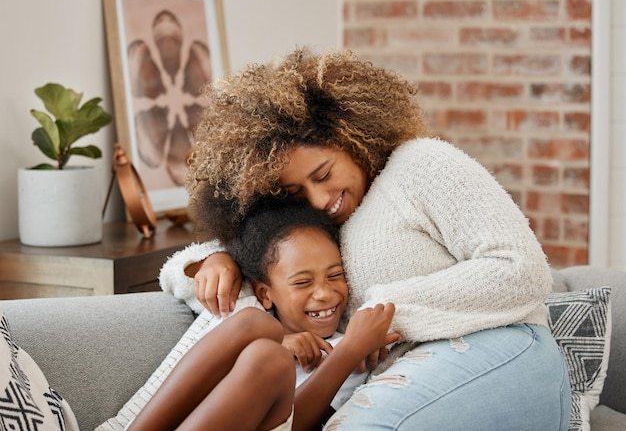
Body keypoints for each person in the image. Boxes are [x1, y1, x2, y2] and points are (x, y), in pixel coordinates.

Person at [159, 47, 572, 430]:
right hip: (389, 377)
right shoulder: (317, 218)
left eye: (323, 174)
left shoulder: (422, 165)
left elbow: (522, 269)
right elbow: (255, 260)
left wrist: (382, 311)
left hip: (501, 348)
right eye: (297, 192)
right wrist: (218, 259)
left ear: (350, 137)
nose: (319, 200)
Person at [132, 199, 401, 431]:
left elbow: (299, 424)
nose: (323, 293)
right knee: (255, 324)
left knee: (269, 357)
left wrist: (350, 350)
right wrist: (216, 258)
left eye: (335, 275)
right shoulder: (243, 307)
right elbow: (175, 277)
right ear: (265, 293)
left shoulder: (346, 348)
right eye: (302, 282)